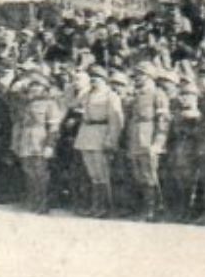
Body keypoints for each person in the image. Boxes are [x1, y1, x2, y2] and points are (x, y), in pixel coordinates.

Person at [10, 64, 64, 213]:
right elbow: (13, 97)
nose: (34, 89)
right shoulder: (25, 103)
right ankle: (32, 199)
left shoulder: (50, 103)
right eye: (32, 86)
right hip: (25, 140)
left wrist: (50, 145)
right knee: (28, 170)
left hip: (40, 139)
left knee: (41, 172)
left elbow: (54, 126)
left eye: (38, 86)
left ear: (44, 88)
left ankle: (42, 203)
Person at [73, 67, 124, 216]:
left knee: (102, 173)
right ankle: (96, 206)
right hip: (86, 133)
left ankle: (106, 207)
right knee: (92, 173)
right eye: (92, 77)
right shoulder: (87, 94)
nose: (94, 80)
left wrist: (111, 139)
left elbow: (116, 120)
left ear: (104, 79)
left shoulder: (110, 96)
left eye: (97, 77)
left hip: (101, 133)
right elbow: (72, 104)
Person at [124, 65, 171, 220]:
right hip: (136, 137)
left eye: (141, 74)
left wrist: (158, 142)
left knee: (150, 175)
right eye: (136, 75)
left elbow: (163, 120)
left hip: (149, 137)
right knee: (138, 175)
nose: (137, 78)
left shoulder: (158, 94)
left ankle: (153, 210)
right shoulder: (137, 95)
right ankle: (142, 208)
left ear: (149, 76)